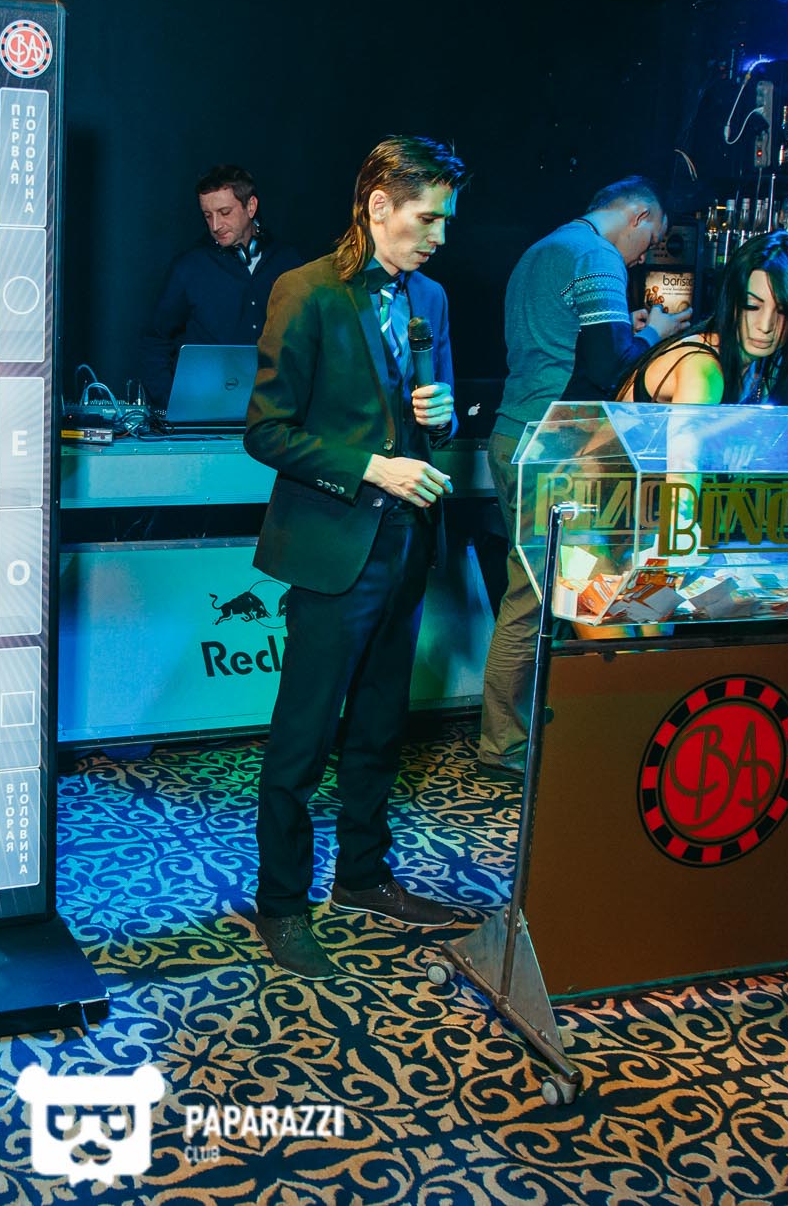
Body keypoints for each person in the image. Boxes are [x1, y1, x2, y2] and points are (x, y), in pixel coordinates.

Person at [243, 136, 465, 979]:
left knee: (379, 728)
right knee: (302, 738)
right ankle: (282, 902)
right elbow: (266, 432)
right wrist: (371, 465)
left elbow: (438, 420)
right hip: (335, 549)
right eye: (428, 218)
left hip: (408, 544)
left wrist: (444, 416)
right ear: (378, 206)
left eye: (445, 221)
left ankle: (364, 877)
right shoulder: (305, 291)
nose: (439, 235)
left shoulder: (432, 299)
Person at [479, 177, 683, 771]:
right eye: (652, 239)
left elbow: (566, 343)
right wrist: (656, 333)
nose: (644, 257)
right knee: (537, 597)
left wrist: (627, 326)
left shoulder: (545, 248)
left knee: (539, 590)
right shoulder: (597, 256)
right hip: (554, 443)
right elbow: (608, 365)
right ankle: (505, 742)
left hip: (513, 432)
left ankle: (540, 729)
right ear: (639, 215)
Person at [139, 164, 302, 405]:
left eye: (225, 212)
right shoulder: (189, 268)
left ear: (251, 206)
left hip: (274, 411)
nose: (215, 225)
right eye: (208, 215)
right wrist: (172, 403)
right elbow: (155, 342)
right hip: (205, 411)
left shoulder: (288, 263)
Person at [617, 230, 788, 406]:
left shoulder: (765, 365)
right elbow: (685, 441)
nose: (766, 325)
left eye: (783, 311)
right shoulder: (702, 367)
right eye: (751, 306)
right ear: (731, 302)